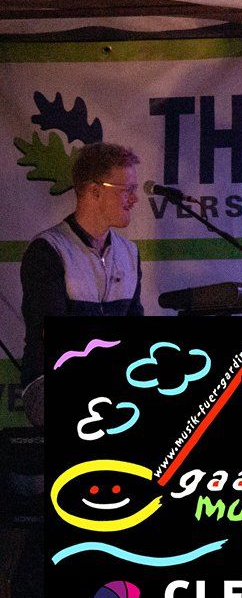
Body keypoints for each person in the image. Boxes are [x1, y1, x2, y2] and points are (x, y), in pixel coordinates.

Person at [20, 143, 145, 418]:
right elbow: (56, 339)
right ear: (94, 191)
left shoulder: (129, 252)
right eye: (127, 189)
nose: (135, 199)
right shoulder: (48, 249)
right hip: (47, 380)